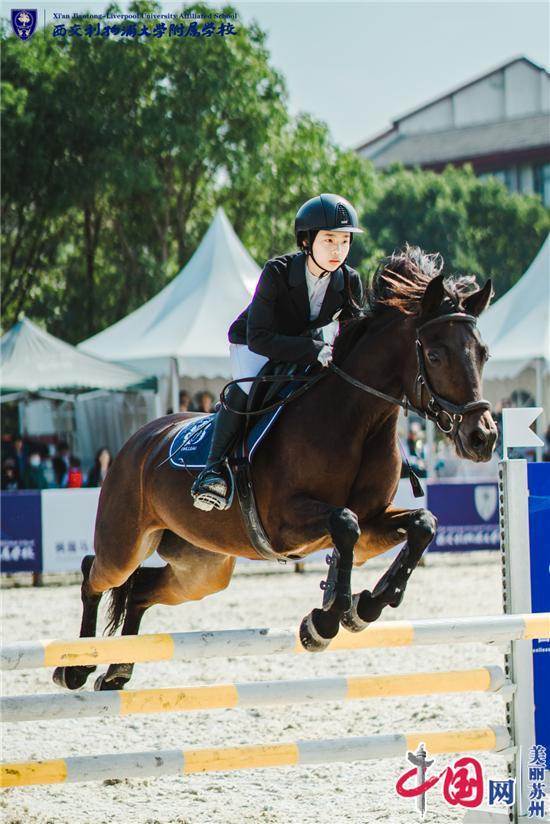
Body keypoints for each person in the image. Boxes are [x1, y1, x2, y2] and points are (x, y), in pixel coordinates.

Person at [191, 193, 364, 512]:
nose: (337, 250)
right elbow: (259, 337)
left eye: (344, 241)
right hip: (254, 342)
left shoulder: (350, 281)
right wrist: (315, 350)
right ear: (306, 241)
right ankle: (212, 471)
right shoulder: (278, 271)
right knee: (248, 390)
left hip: (302, 346)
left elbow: (356, 334)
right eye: (329, 240)